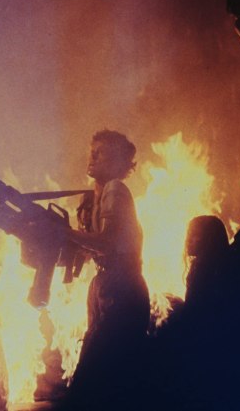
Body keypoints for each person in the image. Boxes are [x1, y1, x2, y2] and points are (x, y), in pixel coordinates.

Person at [63, 129, 150, 409]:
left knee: (93, 380)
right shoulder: (94, 197)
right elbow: (88, 250)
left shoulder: (115, 190)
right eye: (91, 152)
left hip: (122, 289)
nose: (91, 158)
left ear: (115, 161)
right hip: (105, 288)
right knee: (106, 384)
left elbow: (107, 243)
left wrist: (63, 233)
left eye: (98, 153)